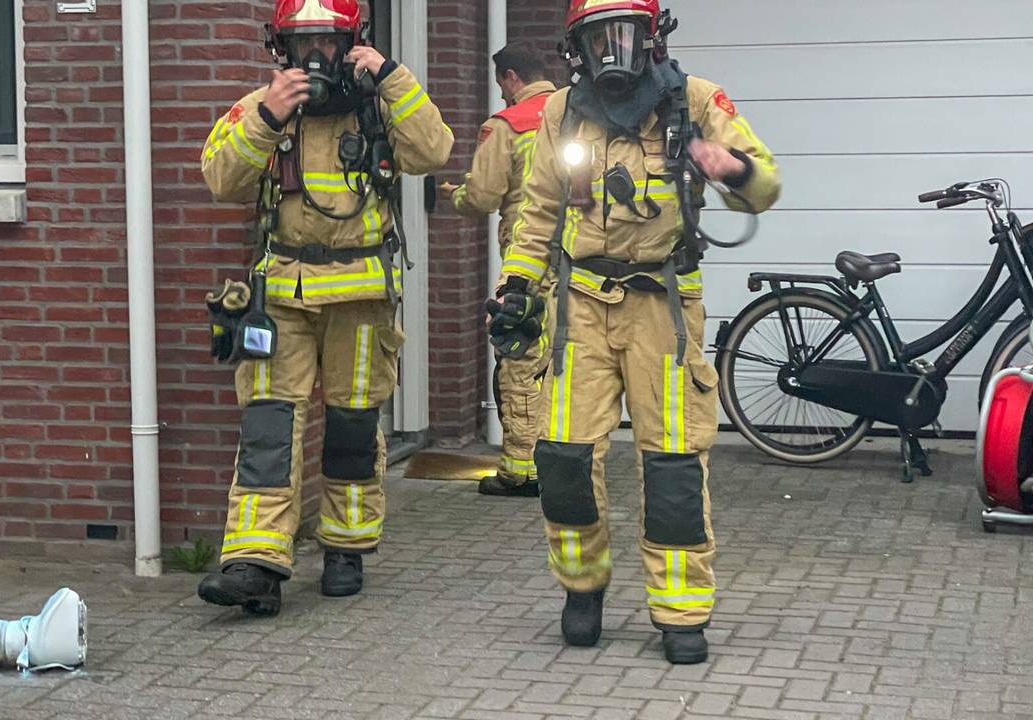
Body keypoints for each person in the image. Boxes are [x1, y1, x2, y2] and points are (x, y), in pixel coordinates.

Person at [487, 0, 780, 662]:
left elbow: (766, 184)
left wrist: (729, 168)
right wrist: (515, 287)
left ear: (653, 35)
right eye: (599, 36)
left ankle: (681, 611)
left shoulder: (695, 102)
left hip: (664, 306)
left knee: (672, 462)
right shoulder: (561, 111)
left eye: (627, 32)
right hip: (580, 306)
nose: (613, 48)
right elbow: (537, 212)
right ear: (577, 46)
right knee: (560, 455)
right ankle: (582, 588)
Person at [197, 0, 453, 617]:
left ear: (351, 43)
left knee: (352, 429)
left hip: (360, 300)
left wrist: (392, 77)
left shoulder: (378, 107)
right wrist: (266, 114)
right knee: (267, 429)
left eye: (329, 43)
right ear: (280, 45)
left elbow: (434, 151)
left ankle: (345, 548)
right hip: (280, 297)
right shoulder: (264, 107)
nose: (316, 57)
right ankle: (255, 561)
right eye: (302, 42)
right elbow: (220, 179)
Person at [445, 43, 558, 498]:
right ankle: (567, 458)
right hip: (587, 255)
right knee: (567, 359)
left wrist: (453, 194)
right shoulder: (577, 113)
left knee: (522, 353)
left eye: (502, 85)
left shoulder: (507, 125)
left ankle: (522, 470)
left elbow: (484, 197)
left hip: (528, 256)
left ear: (511, 77)